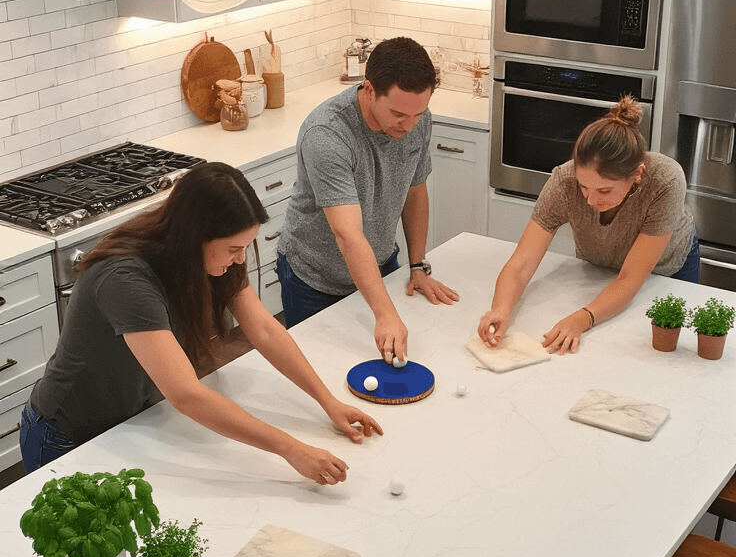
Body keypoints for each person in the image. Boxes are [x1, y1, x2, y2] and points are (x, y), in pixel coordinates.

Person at [20, 163, 381, 483]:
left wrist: (327, 401)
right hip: (65, 435)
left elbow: (266, 329)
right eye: (233, 249)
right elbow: (186, 394)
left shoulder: (209, 260)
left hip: (130, 420)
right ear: (195, 236)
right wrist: (291, 449)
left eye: (245, 247)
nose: (240, 260)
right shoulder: (125, 278)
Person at [277, 36, 459, 363]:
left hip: (380, 262)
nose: (410, 125)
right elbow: (347, 234)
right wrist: (385, 313)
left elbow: (415, 190)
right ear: (370, 90)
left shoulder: (416, 116)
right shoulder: (327, 134)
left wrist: (418, 266)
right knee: (323, 373)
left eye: (419, 114)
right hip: (315, 280)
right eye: (399, 114)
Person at [478, 96, 699, 356]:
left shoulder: (665, 180)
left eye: (604, 190)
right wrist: (501, 309)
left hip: (667, 271)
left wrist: (581, 319)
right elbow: (521, 263)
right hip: (601, 266)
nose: (591, 200)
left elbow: (630, 278)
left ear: (637, 174)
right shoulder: (563, 181)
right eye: (584, 187)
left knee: (659, 355)